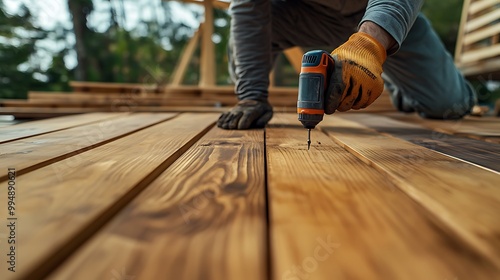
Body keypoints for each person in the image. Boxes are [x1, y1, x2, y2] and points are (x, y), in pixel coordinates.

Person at [217, 0, 477, 130]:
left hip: (379, 13)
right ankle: (249, 93)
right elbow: (248, 11)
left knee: (448, 105)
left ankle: (392, 77)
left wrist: (370, 44)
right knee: (247, 54)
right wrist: (251, 96)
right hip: (301, 15)